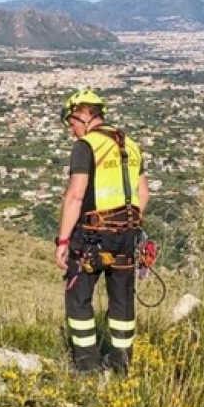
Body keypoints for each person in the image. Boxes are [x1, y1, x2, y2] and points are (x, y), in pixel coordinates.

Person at [54, 88, 149, 375]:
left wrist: (63, 240)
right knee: (122, 300)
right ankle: (120, 365)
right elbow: (143, 193)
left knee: (78, 297)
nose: (71, 130)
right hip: (128, 233)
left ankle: (87, 366)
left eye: (70, 122)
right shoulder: (130, 144)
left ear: (83, 114)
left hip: (93, 234)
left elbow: (75, 195)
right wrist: (129, 224)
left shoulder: (86, 146)